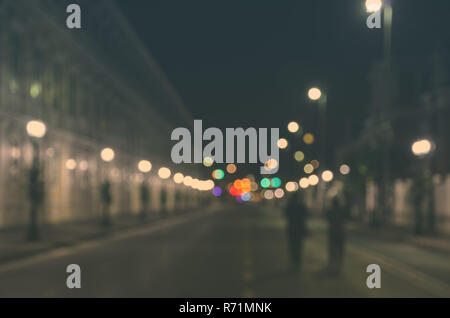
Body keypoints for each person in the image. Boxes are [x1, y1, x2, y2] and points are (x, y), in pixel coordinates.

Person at [284, 192, 308, 271]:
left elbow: (285, 214)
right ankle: (297, 261)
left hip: (292, 229)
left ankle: (294, 260)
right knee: (298, 245)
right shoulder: (301, 206)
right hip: (299, 229)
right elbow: (307, 215)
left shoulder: (290, 206)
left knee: (293, 245)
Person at [326, 197, 346, 275]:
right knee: (340, 250)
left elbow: (328, 219)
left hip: (333, 232)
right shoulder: (341, 210)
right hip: (340, 232)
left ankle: (333, 265)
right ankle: (339, 266)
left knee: (333, 250)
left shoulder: (330, 211)